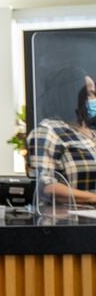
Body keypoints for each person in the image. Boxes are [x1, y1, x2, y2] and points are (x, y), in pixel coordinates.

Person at [28, 75, 96, 204]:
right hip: (72, 220)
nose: (95, 99)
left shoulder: (92, 132)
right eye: (90, 93)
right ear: (71, 96)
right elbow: (47, 187)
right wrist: (93, 198)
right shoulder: (48, 131)